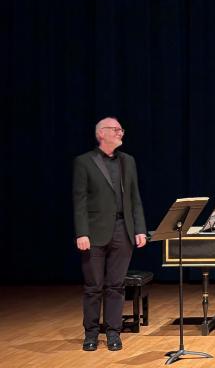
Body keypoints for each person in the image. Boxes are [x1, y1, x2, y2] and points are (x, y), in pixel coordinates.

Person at [73, 117, 147, 351]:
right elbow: (80, 202)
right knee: (93, 286)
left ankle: (114, 333)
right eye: (115, 130)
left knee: (116, 286)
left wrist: (140, 228)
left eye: (121, 129)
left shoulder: (128, 161)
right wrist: (81, 232)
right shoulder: (84, 162)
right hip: (94, 232)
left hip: (122, 230)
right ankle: (91, 333)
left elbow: (135, 198)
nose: (120, 133)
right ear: (101, 134)